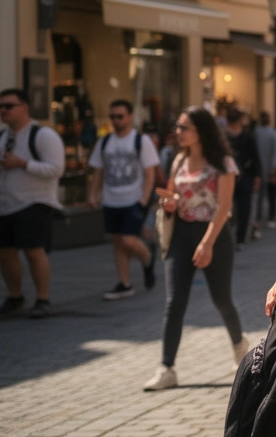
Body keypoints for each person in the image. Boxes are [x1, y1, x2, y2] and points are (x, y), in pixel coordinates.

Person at [144, 107, 247, 390]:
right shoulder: (178, 160)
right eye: (177, 127)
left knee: (221, 299)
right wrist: (170, 203)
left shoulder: (223, 163)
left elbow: (224, 207)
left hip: (214, 235)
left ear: (201, 130)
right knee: (174, 301)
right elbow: (174, 197)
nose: (178, 132)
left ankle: (240, 348)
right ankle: (167, 368)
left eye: (184, 127)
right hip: (180, 234)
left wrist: (207, 243)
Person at [0, 89, 65, 318]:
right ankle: (15, 297)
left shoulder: (44, 135)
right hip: (5, 204)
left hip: (35, 202)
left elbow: (56, 169)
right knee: (5, 253)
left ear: (24, 107)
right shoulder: (1, 137)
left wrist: (23, 164)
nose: (3, 111)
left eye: (8, 106)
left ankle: (42, 298)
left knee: (34, 251)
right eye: (0, 107)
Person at [88, 99, 160, 299]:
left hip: (134, 199)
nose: (116, 120)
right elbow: (98, 171)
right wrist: (92, 194)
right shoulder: (104, 142)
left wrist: (144, 199)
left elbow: (150, 172)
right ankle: (124, 283)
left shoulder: (141, 141)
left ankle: (147, 257)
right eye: (112, 117)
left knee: (129, 239)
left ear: (130, 117)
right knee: (118, 241)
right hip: (111, 199)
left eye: (119, 116)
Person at [223, 108, 261, 248]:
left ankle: (240, 238)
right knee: (226, 208)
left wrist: (257, 177)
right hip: (227, 177)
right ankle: (227, 237)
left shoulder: (247, 137)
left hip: (245, 177)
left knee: (245, 208)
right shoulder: (224, 137)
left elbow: (255, 158)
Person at [252, 111, 276, 236]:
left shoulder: (257, 133)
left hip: (261, 169)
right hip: (266, 169)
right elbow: (275, 152)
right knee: (270, 195)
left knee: (262, 196)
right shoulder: (270, 134)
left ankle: (259, 219)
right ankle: (268, 217)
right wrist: (274, 168)